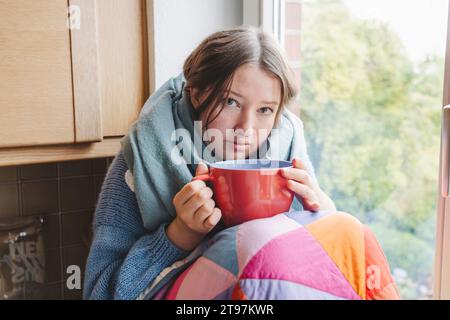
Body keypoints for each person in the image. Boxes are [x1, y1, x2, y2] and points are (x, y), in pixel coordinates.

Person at [83, 25, 336, 300]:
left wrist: (325, 216)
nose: (246, 128)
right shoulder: (143, 158)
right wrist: (179, 234)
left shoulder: (287, 149)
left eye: (265, 110)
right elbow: (99, 294)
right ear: (197, 93)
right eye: (230, 102)